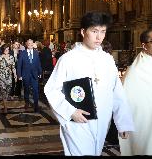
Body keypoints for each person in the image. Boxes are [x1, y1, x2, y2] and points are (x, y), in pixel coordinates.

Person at [44, 11, 135, 156]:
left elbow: (117, 92)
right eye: (94, 31)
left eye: (103, 32)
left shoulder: (107, 59)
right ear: (83, 32)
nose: (99, 37)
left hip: (103, 120)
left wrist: (123, 122)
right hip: (77, 122)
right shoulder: (68, 59)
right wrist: (70, 112)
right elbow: (51, 90)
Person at [17, 39, 42, 113]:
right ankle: (27, 103)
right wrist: (19, 75)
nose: (30, 45)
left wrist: (40, 72)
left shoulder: (36, 53)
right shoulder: (22, 53)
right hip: (25, 74)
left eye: (31, 43)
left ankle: (36, 105)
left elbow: (38, 63)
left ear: (33, 44)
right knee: (26, 90)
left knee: (35, 90)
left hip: (34, 74)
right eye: (29, 43)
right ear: (26, 44)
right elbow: (19, 65)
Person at [0, 44, 17, 113]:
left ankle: (5, 100)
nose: (7, 51)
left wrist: (15, 75)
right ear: (3, 50)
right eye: (5, 49)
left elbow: (13, 67)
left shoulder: (11, 57)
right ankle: (5, 107)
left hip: (9, 76)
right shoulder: (0, 58)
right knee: (3, 90)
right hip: (1, 76)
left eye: (8, 49)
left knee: (8, 89)